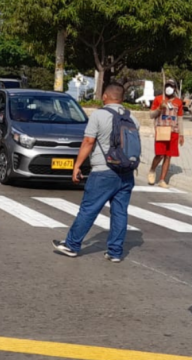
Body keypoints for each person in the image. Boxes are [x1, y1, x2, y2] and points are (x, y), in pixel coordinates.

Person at [53, 83, 140, 263]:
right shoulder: (132, 118)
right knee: (120, 212)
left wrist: (77, 165)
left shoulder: (99, 115)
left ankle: (71, 245)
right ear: (121, 99)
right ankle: (115, 252)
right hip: (126, 172)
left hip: (103, 171)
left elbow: (88, 142)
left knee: (89, 209)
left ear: (105, 97)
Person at [148, 79, 185, 188]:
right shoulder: (158, 99)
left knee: (168, 156)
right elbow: (151, 115)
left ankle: (162, 180)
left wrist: (181, 135)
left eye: (171, 86)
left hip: (173, 132)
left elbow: (180, 119)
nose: (169, 88)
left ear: (175, 88)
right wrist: (159, 108)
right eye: (167, 85)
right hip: (161, 131)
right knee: (159, 154)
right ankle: (152, 170)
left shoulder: (178, 102)